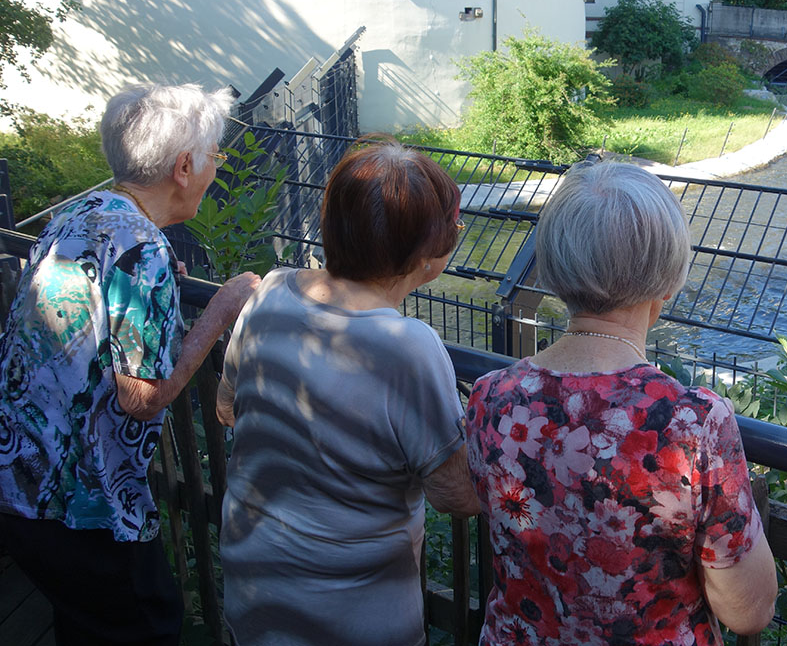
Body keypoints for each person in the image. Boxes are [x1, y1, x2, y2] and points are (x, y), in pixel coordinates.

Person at [466, 160, 777, 645]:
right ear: (668, 281)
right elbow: (749, 609)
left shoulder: (492, 398)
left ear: (553, 269)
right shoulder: (692, 422)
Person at [0, 83, 260, 645]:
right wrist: (220, 309)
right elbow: (141, 399)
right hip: (75, 506)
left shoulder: (85, 212)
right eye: (215, 156)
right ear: (184, 166)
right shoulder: (139, 250)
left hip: (20, 478)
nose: (217, 168)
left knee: (84, 626)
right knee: (146, 626)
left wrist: (163, 302)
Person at [217, 138, 480, 646]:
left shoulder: (271, 290)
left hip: (253, 587)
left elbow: (228, 406)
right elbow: (458, 495)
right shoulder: (407, 346)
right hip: (351, 615)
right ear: (428, 254)